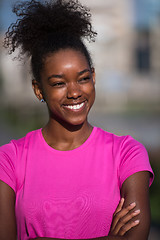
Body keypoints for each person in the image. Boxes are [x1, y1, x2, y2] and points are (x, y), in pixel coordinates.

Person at [0, 0, 154, 240]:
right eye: (59, 83)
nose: (74, 92)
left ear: (93, 77)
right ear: (38, 89)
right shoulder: (10, 161)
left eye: (82, 78)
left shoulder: (127, 153)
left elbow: (136, 236)